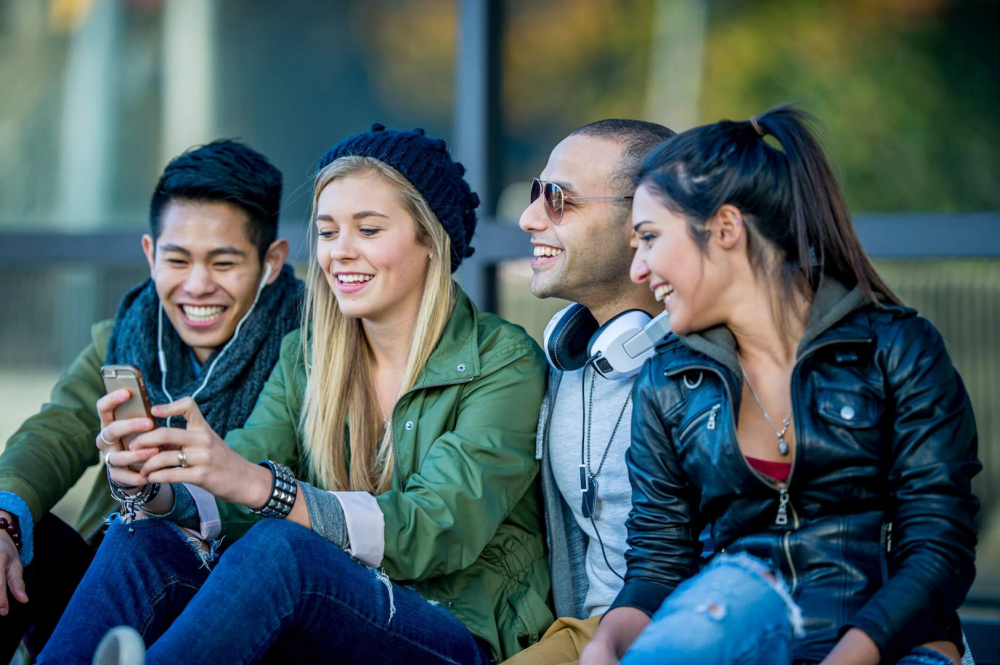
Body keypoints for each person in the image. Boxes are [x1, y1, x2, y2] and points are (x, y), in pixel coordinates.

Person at [39, 125, 553, 665]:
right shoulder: (306, 355)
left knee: (282, 547)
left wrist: (268, 490)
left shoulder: (503, 361)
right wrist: (153, 489)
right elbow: (236, 477)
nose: (339, 253)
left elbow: (437, 527)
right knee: (142, 541)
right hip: (326, 620)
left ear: (431, 239)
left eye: (369, 230)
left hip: (446, 630)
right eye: (328, 232)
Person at [582, 107, 981, 665]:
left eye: (648, 238)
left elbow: (938, 550)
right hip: (740, 638)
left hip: (892, 649)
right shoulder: (668, 380)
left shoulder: (896, 350)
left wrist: (849, 657)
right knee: (725, 598)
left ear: (725, 228)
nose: (639, 271)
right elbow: (658, 565)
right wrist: (606, 644)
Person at [0, 139, 302, 661]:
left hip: (232, 594)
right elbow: (52, 433)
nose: (198, 286)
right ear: (150, 254)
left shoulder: (310, 350)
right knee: (18, 538)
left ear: (272, 262)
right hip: (111, 571)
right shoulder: (123, 337)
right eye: (178, 259)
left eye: (224, 263)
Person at [505, 119, 675, 665]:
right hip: (586, 631)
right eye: (537, 193)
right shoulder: (570, 361)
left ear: (642, 220)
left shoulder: (706, 372)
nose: (530, 217)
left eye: (559, 199)